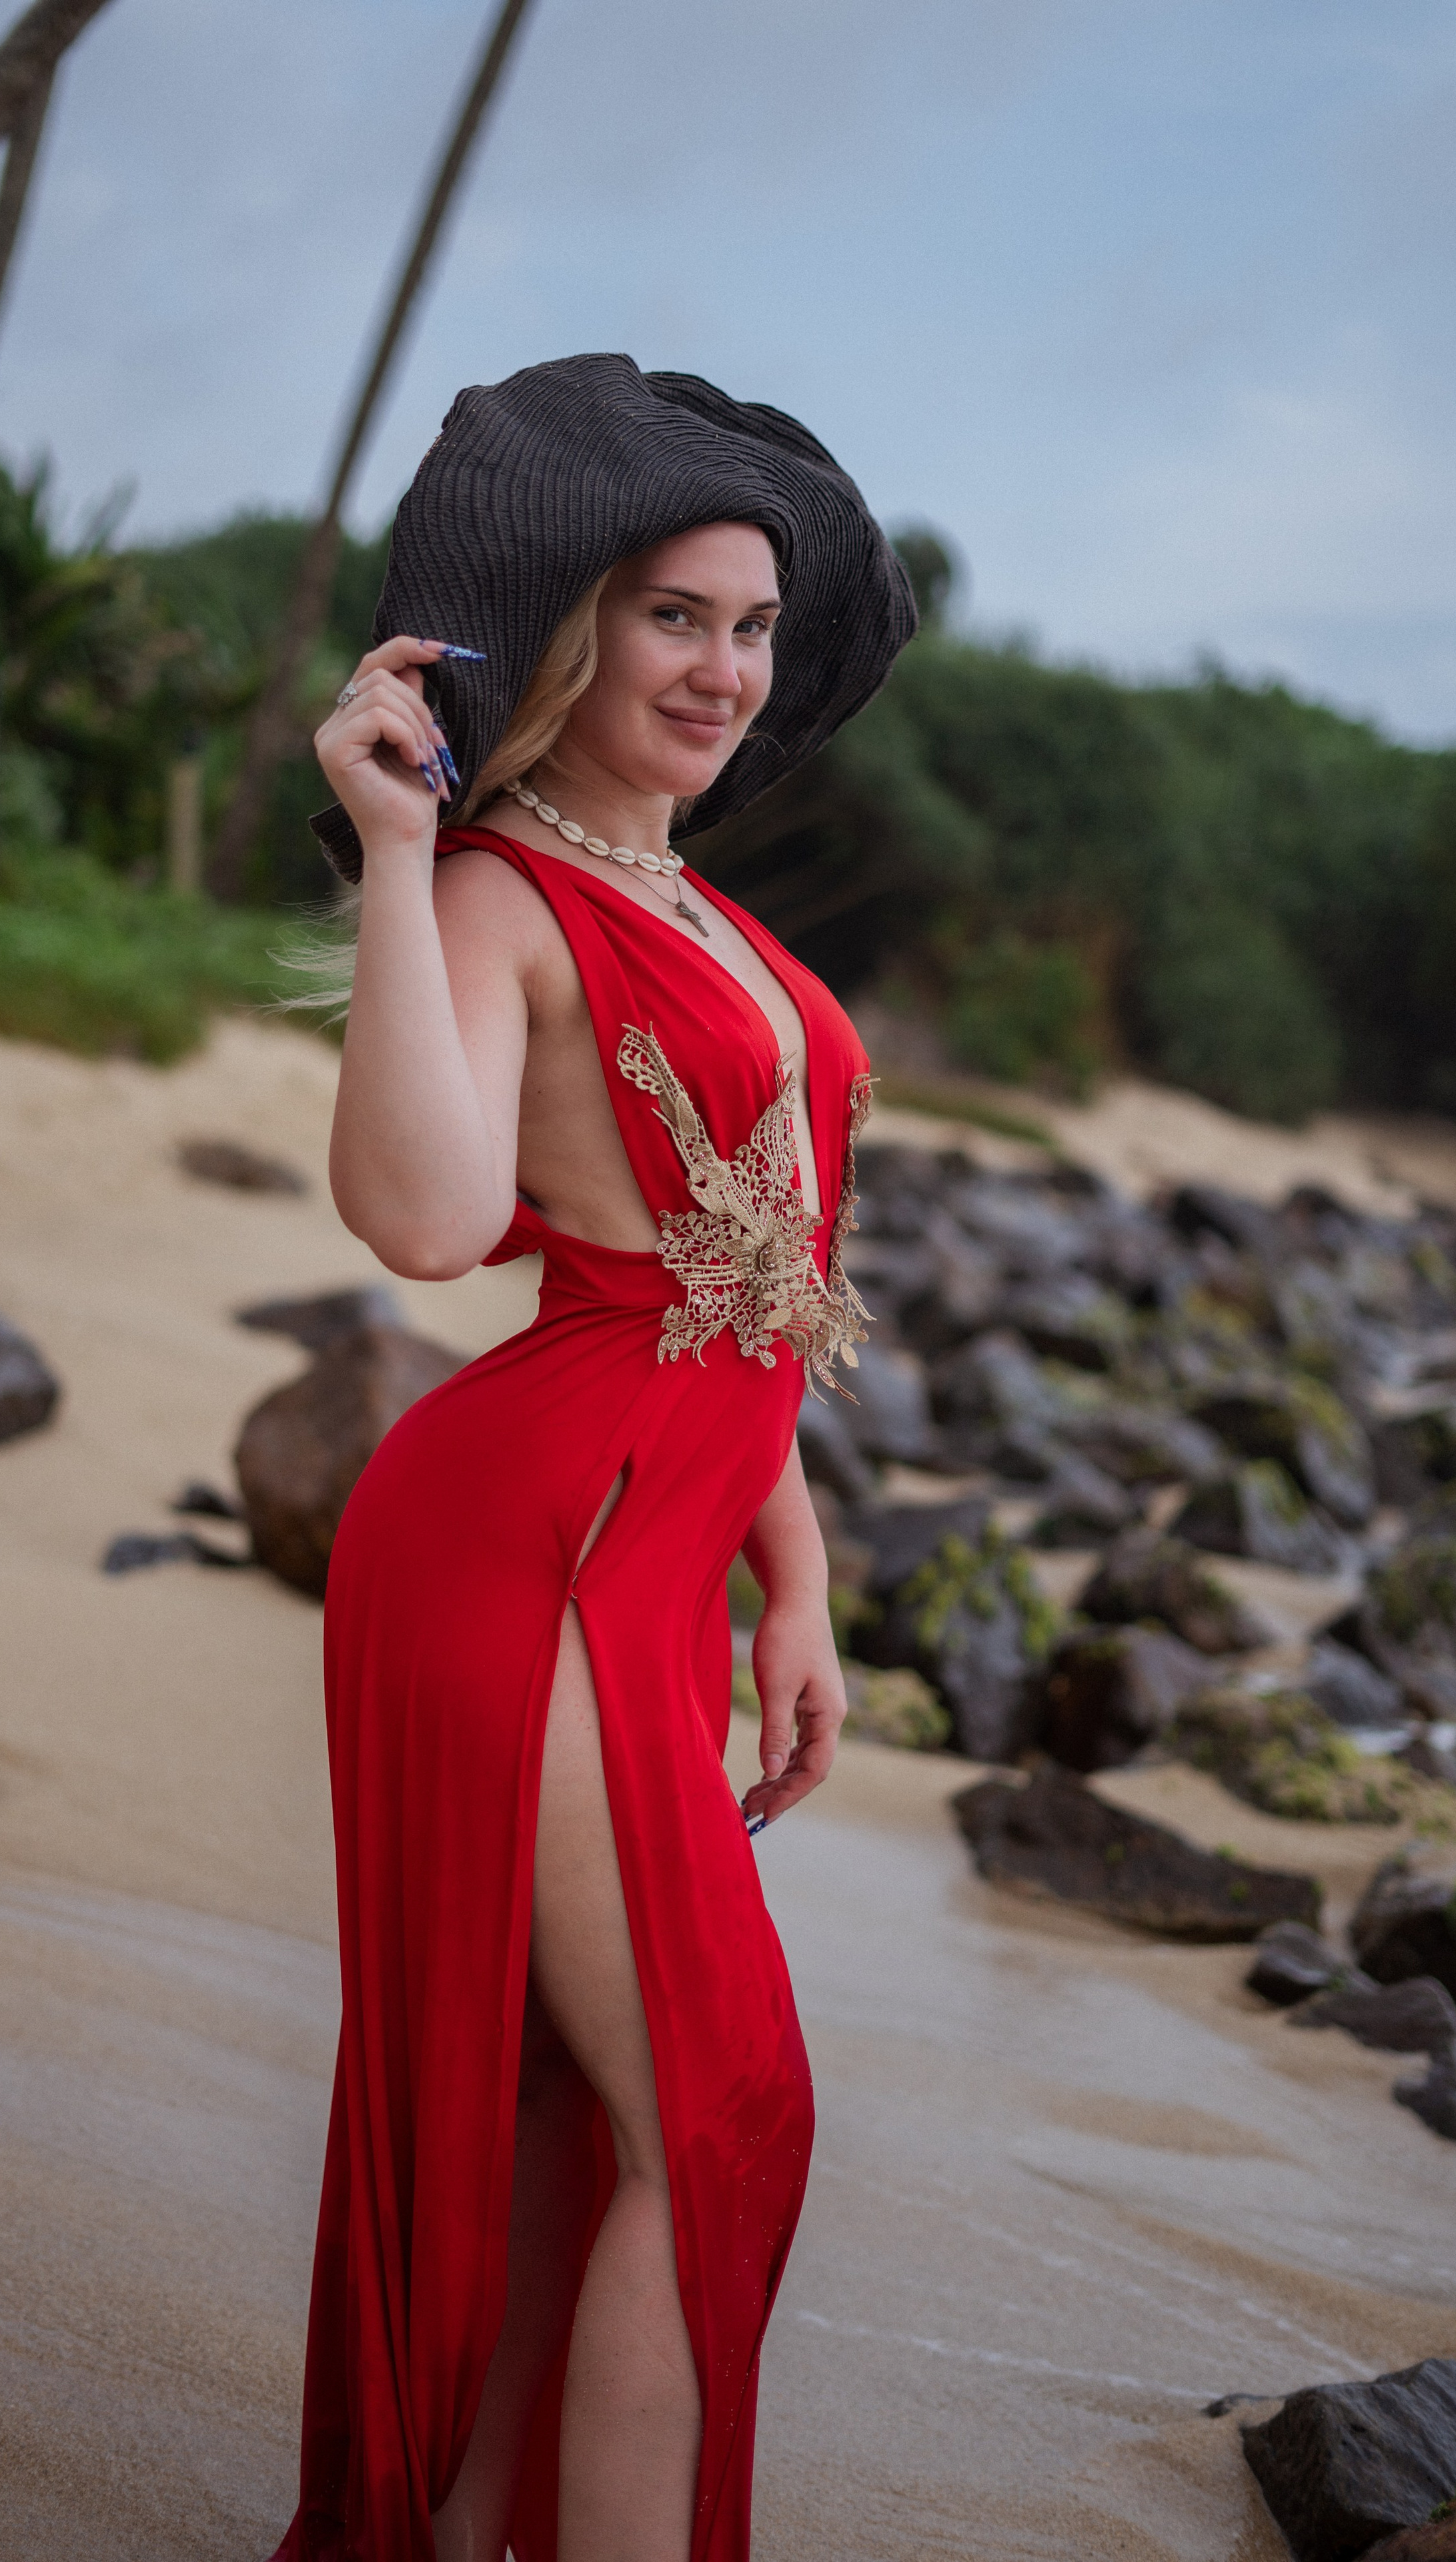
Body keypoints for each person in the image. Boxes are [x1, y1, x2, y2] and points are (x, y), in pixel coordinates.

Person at [269, 354, 916, 2562]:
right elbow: (437, 1226)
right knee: (714, 2113)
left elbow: (748, 1297)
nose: (725, 668)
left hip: (662, 1548)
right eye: (675, 619)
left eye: (751, 627)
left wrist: (796, 1584)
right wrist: (388, 842)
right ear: (571, 635)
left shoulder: (713, 911)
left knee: (604, 2114)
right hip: (522, 1548)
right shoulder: (498, 898)